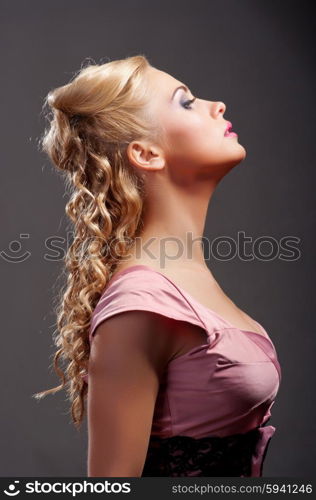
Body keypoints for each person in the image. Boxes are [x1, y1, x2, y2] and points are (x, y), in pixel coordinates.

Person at [34, 54, 282, 477]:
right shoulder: (142, 303)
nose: (217, 105)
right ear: (146, 153)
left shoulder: (184, 279)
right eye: (186, 102)